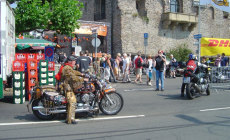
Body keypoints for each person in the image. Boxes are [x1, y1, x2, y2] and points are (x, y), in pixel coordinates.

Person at [55, 56, 85, 124]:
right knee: (72, 102)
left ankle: (68, 118)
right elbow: (72, 77)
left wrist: (81, 74)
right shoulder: (67, 68)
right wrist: (83, 79)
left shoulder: (68, 67)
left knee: (70, 102)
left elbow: (74, 72)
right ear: (70, 61)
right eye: (74, 61)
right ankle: (71, 119)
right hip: (67, 87)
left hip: (68, 86)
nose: (75, 62)